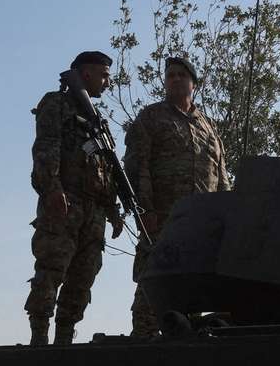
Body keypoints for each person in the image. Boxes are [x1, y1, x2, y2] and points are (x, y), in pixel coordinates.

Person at [123, 56, 229, 337]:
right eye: (170, 75)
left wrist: (225, 218)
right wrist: (145, 209)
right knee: (154, 281)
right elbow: (137, 164)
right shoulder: (152, 117)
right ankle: (143, 338)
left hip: (200, 223)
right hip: (163, 217)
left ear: (193, 84)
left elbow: (221, 175)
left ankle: (183, 339)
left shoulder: (208, 127)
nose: (175, 79)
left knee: (193, 283)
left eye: (182, 75)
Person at [26, 51, 124, 346]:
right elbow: (46, 148)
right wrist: (53, 188)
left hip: (93, 211)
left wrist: (113, 209)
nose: (107, 82)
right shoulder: (56, 104)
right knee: (52, 269)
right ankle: (40, 339)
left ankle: (65, 340)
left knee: (83, 278)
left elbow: (104, 167)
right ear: (86, 74)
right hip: (65, 202)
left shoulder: (95, 120)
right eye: (104, 75)